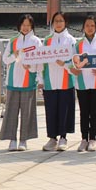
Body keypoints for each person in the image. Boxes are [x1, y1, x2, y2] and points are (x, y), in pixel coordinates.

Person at [0, 14, 40, 151]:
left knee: (27, 112)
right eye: (23, 25)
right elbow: (5, 59)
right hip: (13, 81)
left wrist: (32, 67)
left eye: (28, 25)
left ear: (32, 26)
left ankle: (23, 140)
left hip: (28, 81)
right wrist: (14, 55)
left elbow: (40, 62)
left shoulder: (36, 42)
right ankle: (12, 139)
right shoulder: (13, 41)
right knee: (11, 111)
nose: (25, 28)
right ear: (19, 26)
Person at [70, 15, 96, 152]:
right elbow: (72, 61)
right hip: (81, 82)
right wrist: (74, 70)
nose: (90, 28)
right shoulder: (78, 44)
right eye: (87, 25)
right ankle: (83, 139)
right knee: (83, 112)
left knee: (94, 112)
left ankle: (92, 139)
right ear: (83, 27)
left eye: (92, 25)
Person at [40, 11, 76, 152]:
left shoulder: (71, 40)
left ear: (65, 22)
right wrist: (41, 79)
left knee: (65, 110)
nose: (58, 23)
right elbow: (41, 61)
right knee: (51, 110)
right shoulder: (47, 40)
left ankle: (63, 137)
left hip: (66, 80)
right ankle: (52, 138)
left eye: (61, 21)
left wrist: (65, 64)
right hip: (50, 81)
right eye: (56, 21)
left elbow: (75, 61)